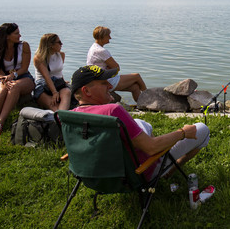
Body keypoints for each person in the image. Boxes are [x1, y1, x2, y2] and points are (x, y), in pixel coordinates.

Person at [70, 65, 209, 178]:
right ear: (86, 91)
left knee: (139, 121)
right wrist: (182, 133)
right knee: (202, 129)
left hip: (98, 174)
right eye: (103, 83)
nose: (110, 86)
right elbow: (151, 148)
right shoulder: (113, 112)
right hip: (139, 172)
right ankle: (167, 172)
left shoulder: (70, 116)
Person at [0, 23, 35, 138]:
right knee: (1, 91)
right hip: (4, 79)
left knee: (14, 87)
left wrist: (13, 76)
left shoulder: (23, 46)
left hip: (24, 78)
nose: (20, 35)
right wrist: (5, 79)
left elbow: (24, 68)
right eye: (16, 33)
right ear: (7, 36)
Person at [86, 26, 146, 102]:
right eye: (108, 35)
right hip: (105, 80)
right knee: (136, 76)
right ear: (103, 36)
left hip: (98, 78)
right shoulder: (101, 51)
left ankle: (142, 105)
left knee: (135, 87)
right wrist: (110, 68)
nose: (110, 38)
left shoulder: (93, 47)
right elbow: (116, 68)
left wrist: (109, 67)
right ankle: (149, 96)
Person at [32, 33, 72, 111]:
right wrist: (54, 92)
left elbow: (58, 71)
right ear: (51, 45)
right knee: (54, 105)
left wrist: (63, 81)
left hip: (58, 83)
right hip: (44, 85)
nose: (61, 44)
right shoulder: (39, 58)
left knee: (67, 92)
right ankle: (60, 118)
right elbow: (46, 76)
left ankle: (61, 117)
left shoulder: (61, 55)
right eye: (59, 42)